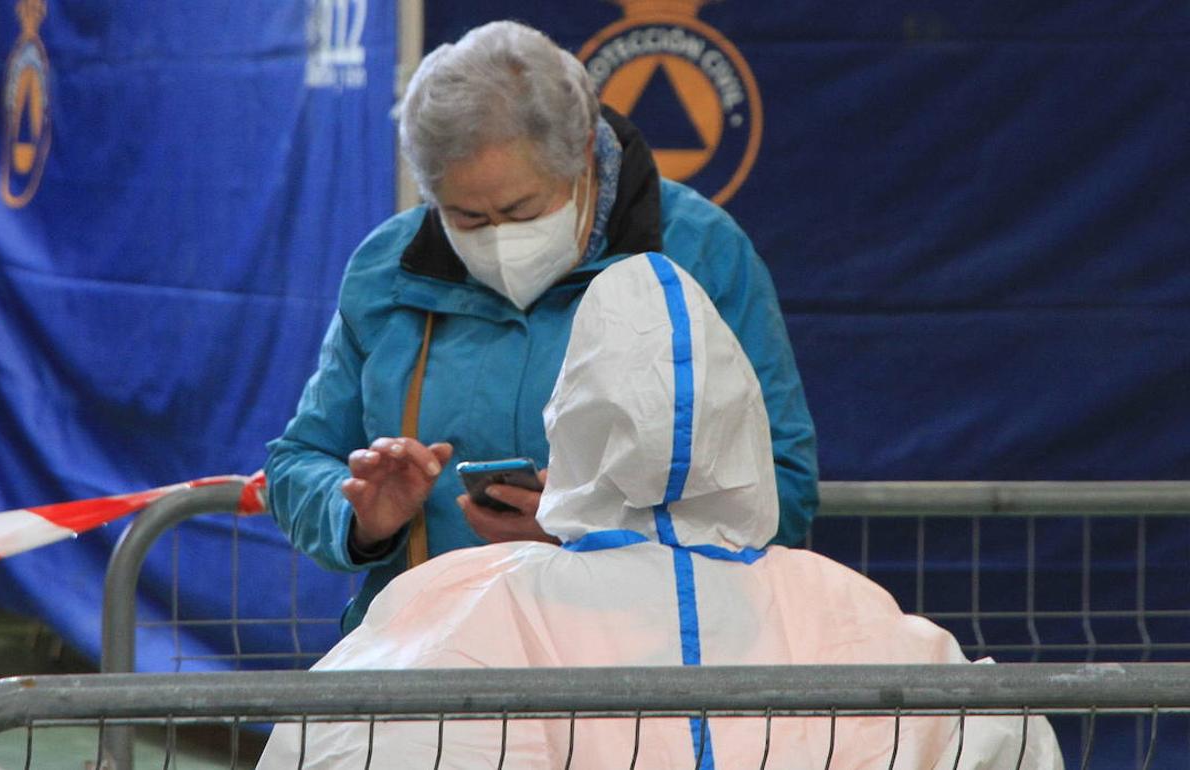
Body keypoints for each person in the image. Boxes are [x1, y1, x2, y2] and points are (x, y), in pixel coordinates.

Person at [256, 254, 1063, 769]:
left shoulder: (452, 608)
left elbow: (336, 745)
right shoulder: (859, 616)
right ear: (743, 418)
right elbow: (1007, 743)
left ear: (570, 419)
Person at [266, 19, 817, 633]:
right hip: (431, 658)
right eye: (466, 217)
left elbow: (781, 487)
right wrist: (362, 515)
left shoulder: (698, 253)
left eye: (522, 209)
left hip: (634, 664)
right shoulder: (385, 270)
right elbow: (298, 461)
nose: (499, 237)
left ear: (583, 153)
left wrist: (598, 528)